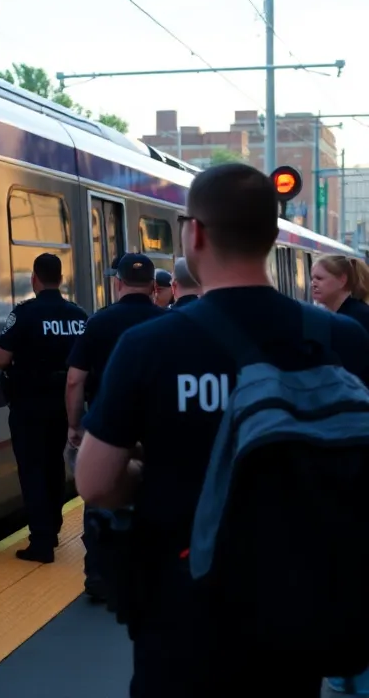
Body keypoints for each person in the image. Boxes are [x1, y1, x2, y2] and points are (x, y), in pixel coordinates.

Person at [74, 163, 369, 697]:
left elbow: (95, 483)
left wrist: (150, 471)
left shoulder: (149, 347)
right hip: (300, 601)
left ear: (195, 233)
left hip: (185, 606)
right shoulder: (342, 338)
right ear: (273, 235)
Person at [64, 252, 165, 599]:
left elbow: (75, 380)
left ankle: (99, 576)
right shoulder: (167, 322)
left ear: (118, 283)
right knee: (155, 493)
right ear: (154, 287)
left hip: (108, 423)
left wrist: (74, 426)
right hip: (156, 427)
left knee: (100, 494)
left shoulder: (99, 323)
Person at [0, 253, 88, 563]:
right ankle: (55, 526)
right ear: (60, 279)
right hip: (63, 404)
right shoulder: (77, 315)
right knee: (53, 465)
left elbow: (2, 358)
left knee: (32, 469)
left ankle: (42, 541)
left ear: (35, 279)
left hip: (29, 406)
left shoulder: (25, 314)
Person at [311, 253, 369, 333]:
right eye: (312, 278)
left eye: (319, 278)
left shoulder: (359, 318)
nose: (313, 284)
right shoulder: (335, 314)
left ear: (342, 280)